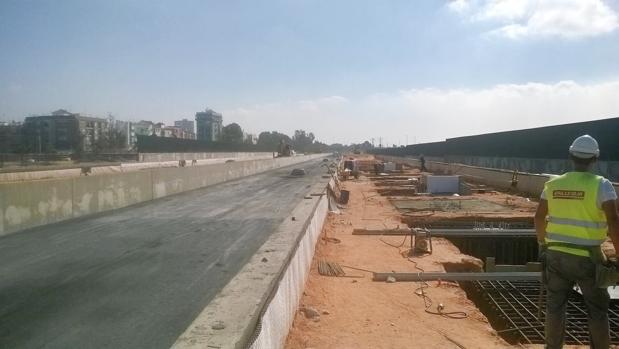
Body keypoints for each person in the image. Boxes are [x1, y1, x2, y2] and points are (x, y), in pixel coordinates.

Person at [535, 134, 619, 348]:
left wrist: (543, 245)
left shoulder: (552, 184)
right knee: (597, 310)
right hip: (589, 259)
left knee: (555, 307)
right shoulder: (602, 185)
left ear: (571, 155)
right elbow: (614, 222)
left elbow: (538, 217)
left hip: (555, 256)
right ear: (595, 158)